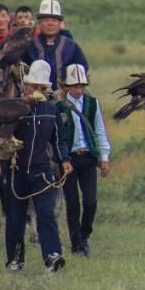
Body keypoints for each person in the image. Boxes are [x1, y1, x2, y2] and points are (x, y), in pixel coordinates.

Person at [3, 59, 70, 272]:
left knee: (46, 214)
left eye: (41, 88)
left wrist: (64, 160)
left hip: (42, 170)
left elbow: (58, 139)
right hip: (16, 169)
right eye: (33, 86)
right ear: (26, 85)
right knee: (15, 217)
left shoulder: (51, 110)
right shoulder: (13, 107)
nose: (36, 90)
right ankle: (15, 259)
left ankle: (52, 255)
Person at [56, 64, 111, 257]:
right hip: (69, 160)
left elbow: (99, 131)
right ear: (66, 86)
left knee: (91, 201)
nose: (78, 90)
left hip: (88, 157)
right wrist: (62, 159)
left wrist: (104, 157)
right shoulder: (59, 106)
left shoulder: (92, 103)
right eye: (74, 86)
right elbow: (58, 137)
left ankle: (84, 234)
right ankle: (76, 244)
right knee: (72, 204)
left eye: (81, 85)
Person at [23, 0, 87, 91]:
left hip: (65, 96)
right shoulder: (29, 45)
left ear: (60, 24)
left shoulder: (71, 46)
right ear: (39, 23)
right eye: (46, 20)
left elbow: (82, 67)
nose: (50, 24)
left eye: (54, 20)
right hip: (35, 96)